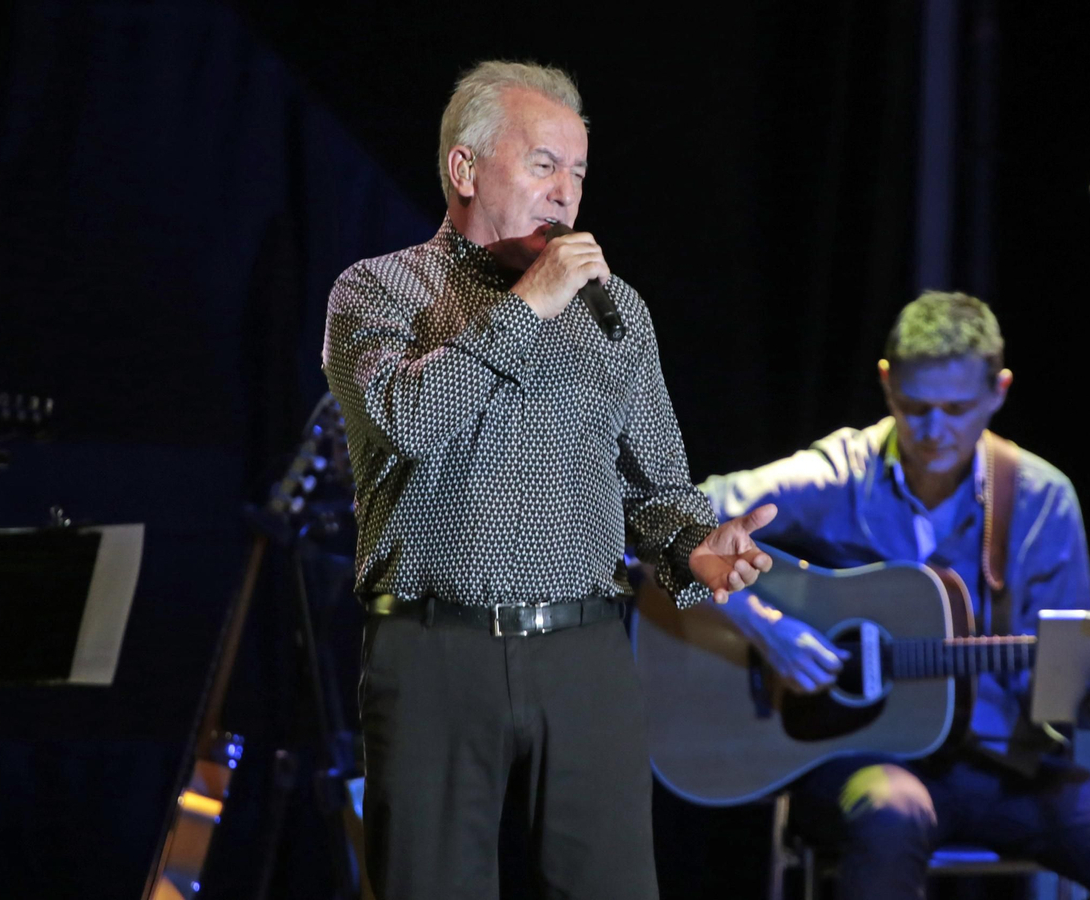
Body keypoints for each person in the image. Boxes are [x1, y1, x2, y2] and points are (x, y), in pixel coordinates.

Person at [322, 60, 776, 900]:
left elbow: (654, 483)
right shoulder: (377, 290)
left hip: (586, 653)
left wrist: (697, 545)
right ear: (465, 169)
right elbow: (409, 422)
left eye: (577, 173)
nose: (566, 195)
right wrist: (529, 305)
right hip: (432, 652)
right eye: (543, 165)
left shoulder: (617, 311)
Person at [700, 291, 1090, 899]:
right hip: (864, 761)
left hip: (1005, 766)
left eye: (958, 408)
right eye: (915, 407)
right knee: (893, 811)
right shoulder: (836, 476)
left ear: (999, 391)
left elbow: (1060, 696)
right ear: (887, 385)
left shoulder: (1042, 501)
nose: (934, 431)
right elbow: (668, 527)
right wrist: (764, 626)